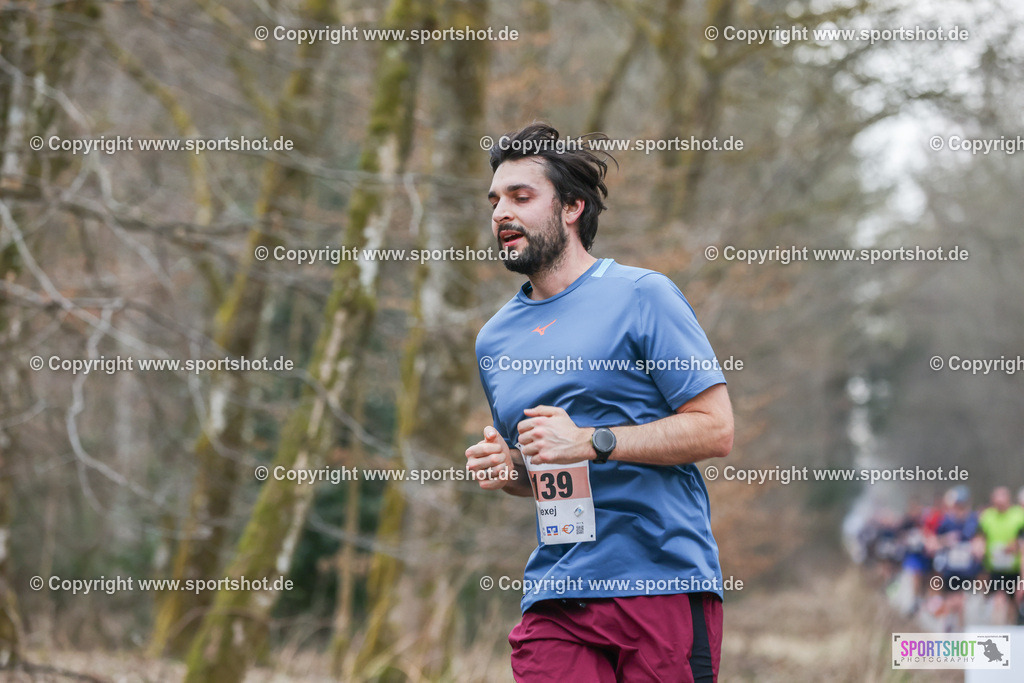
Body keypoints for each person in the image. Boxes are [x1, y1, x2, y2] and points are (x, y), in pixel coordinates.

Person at [465, 123, 734, 682]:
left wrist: (592, 442)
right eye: (495, 200)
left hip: (660, 579)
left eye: (521, 196)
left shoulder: (642, 295)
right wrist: (510, 466)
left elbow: (715, 430)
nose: (500, 213)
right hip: (559, 591)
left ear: (571, 207)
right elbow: (544, 466)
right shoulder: (495, 339)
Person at [932, 485, 984, 631]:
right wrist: (946, 541)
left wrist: (978, 547)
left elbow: (980, 540)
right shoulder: (946, 521)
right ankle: (946, 629)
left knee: (961, 601)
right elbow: (935, 542)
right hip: (950, 568)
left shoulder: (974, 520)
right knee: (951, 600)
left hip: (967, 568)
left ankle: (960, 632)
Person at [977, 486, 1024, 624]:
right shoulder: (987, 516)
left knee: (1013, 602)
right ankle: (997, 629)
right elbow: (979, 536)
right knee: (998, 599)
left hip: (1013, 567)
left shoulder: (1019, 515)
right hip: (994, 566)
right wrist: (980, 547)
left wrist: (1015, 546)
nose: (999, 503)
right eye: (996, 500)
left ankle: (1011, 630)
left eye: (1002, 500)